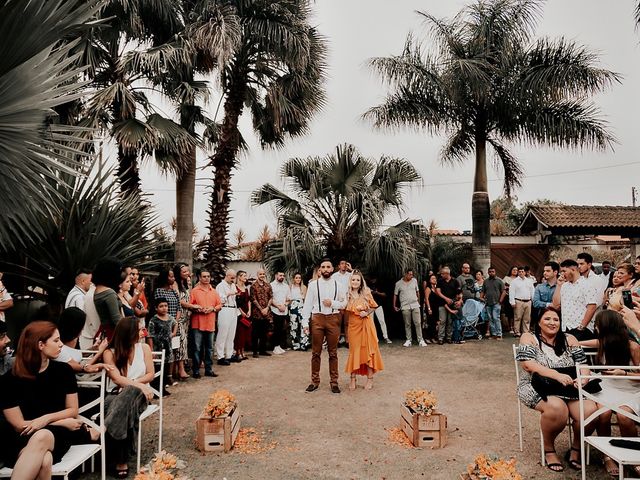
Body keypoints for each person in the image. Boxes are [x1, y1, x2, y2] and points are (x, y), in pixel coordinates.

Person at [0, 321, 98, 479]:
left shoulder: (64, 371)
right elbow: (19, 425)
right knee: (45, 460)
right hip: (22, 438)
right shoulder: (9, 380)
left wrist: (46, 419)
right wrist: (58, 421)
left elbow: (73, 410)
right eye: (56, 340)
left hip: (57, 436)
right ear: (40, 345)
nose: (61, 345)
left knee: (43, 436)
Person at [516, 307, 597, 472]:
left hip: (568, 386)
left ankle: (575, 449)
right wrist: (555, 374)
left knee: (589, 410)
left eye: (556, 319)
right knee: (557, 408)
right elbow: (527, 364)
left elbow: (583, 364)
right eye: (547, 319)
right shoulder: (529, 337)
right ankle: (549, 449)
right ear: (538, 322)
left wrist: (584, 378)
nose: (552, 323)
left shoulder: (570, 339)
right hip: (536, 384)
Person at [587, 310, 640, 477]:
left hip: (631, 388)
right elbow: (587, 343)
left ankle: (634, 457)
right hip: (608, 387)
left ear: (607, 326)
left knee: (624, 416)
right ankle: (607, 456)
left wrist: (623, 373)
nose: (595, 327)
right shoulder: (603, 343)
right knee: (604, 413)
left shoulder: (633, 346)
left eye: (598, 324)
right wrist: (572, 341)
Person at [102, 317, 155, 478]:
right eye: (139, 329)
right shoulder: (109, 353)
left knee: (130, 393)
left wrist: (134, 385)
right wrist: (136, 385)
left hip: (139, 395)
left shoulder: (144, 348)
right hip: (114, 396)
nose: (142, 332)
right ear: (128, 333)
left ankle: (103, 430)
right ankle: (122, 458)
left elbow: (150, 374)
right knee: (125, 407)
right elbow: (116, 379)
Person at [301, 258, 347, 394]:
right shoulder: (313, 285)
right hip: (317, 319)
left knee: (333, 352)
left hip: (333, 319)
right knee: (316, 352)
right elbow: (307, 304)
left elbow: (344, 303)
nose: (326, 269)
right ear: (320, 270)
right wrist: (305, 323)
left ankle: (334, 382)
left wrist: (333, 303)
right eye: (323, 267)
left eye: (328, 267)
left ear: (332, 269)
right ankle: (314, 381)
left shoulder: (339, 285)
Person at [344, 271, 384, 390]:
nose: (355, 282)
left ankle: (370, 379)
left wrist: (366, 312)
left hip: (366, 325)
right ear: (350, 282)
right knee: (354, 351)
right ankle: (352, 379)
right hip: (353, 327)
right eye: (353, 280)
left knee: (368, 352)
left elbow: (374, 306)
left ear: (361, 282)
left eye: (357, 280)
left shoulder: (366, 293)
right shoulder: (347, 294)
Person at [552, 259, 598, 341]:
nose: (562, 274)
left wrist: (582, 326)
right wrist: (558, 286)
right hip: (565, 327)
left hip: (581, 328)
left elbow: (592, 307)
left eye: (564, 271)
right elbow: (555, 305)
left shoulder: (587, 285)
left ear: (573, 269)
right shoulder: (564, 286)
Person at [56, 307, 110, 374]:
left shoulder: (61, 345)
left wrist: (93, 349)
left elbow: (75, 355)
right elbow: (83, 369)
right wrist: (100, 351)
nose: (82, 330)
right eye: (81, 327)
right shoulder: (59, 349)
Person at [189, 269, 222, 376]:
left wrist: (212, 308)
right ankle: (196, 370)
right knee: (197, 348)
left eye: (208, 276)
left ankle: (209, 369)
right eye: (204, 276)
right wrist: (197, 309)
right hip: (197, 323)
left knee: (209, 348)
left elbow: (219, 305)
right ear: (199, 277)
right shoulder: (194, 291)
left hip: (210, 323)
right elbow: (190, 305)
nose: (207, 278)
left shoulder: (214, 291)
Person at [147, 299, 177, 390]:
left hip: (168, 347)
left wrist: (173, 333)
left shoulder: (170, 317)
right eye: (161, 306)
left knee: (166, 366)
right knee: (158, 368)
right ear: (156, 308)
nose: (164, 308)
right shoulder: (154, 320)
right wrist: (152, 350)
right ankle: (157, 388)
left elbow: (175, 323)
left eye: (165, 306)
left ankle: (164, 386)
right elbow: (150, 336)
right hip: (157, 348)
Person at [393, 269, 427, 347]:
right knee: (407, 324)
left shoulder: (414, 281)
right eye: (410, 274)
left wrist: (418, 301)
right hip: (405, 306)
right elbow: (395, 295)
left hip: (415, 305)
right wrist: (394, 305)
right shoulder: (398, 283)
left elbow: (417, 291)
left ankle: (420, 340)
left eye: (412, 274)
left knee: (418, 323)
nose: (411, 276)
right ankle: (408, 340)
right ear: (405, 274)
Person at [93, 257, 123, 341]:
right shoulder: (109, 293)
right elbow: (117, 319)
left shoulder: (97, 289)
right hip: (112, 334)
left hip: (103, 331)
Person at [173, 263, 194, 380]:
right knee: (181, 342)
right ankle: (180, 369)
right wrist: (193, 306)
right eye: (184, 272)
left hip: (186, 317)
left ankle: (179, 368)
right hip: (179, 317)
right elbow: (179, 301)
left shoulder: (185, 283)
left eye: (188, 271)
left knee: (183, 341)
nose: (187, 273)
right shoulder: (175, 284)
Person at [216, 269, 238, 365]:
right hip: (224, 309)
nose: (233, 279)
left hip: (233, 309)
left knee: (231, 334)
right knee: (223, 333)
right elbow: (220, 300)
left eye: (234, 277)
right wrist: (229, 294)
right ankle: (220, 356)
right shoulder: (220, 286)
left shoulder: (233, 285)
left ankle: (229, 354)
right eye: (231, 277)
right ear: (227, 275)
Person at [250, 269, 273, 357]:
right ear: (257, 275)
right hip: (257, 314)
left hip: (266, 313)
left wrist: (267, 308)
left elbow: (271, 297)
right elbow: (253, 299)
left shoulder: (268, 285)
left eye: (263, 274)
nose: (262, 275)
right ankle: (255, 351)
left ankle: (263, 350)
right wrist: (261, 309)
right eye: (260, 274)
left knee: (264, 333)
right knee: (255, 333)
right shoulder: (253, 286)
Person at [435, 266, 459, 344]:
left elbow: (458, 292)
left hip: (451, 304)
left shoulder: (455, 281)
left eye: (442, 274)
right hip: (442, 304)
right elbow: (438, 292)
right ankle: (441, 338)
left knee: (450, 321)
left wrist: (457, 300)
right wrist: (446, 298)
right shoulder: (440, 281)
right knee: (442, 321)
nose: (441, 275)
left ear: (447, 274)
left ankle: (449, 337)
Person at [509, 267, 535, 337]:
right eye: (519, 271)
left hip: (528, 301)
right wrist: (512, 302)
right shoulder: (514, 281)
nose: (521, 273)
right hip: (518, 301)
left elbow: (532, 291)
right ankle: (517, 332)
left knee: (527, 318)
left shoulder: (529, 281)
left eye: (522, 271)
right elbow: (511, 292)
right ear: (518, 272)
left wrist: (533, 300)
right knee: (517, 317)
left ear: (525, 272)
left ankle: (525, 332)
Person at [332, 259, 352, 345]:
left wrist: (351, 269)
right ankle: (337, 341)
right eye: (342, 263)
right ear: (339, 266)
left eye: (345, 264)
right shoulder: (334, 276)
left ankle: (347, 341)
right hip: (338, 301)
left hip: (348, 301)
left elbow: (359, 278)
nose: (344, 265)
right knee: (338, 322)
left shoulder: (350, 275)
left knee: (347, 322)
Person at [532, 262, 559, 327]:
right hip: (543, 318)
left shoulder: (562, 286)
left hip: (558, 318)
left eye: (548, 271)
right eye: (544, 271)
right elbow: (535, 303)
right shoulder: (539, 286)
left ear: (555, 272)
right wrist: (549, 304)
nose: (544, 273)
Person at [234, 270, 252, 360]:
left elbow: (248, 300)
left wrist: (249, 311)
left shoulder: (245, 288)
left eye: (246, 275)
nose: (246, 277)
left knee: (245, 333)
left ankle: (243, 351)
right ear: (239, 277)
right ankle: (238, 352)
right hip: (239, 313)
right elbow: (236, 302)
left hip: (247, 312)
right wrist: (242, 312)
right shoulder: (235, 288)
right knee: (239, 333)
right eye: (244, 276)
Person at [482, 266, 505, 339]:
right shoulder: (485, 281)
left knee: (496, 318)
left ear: (495, 272)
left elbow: (504, 291)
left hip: (496, 303)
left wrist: (500, 300)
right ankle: (494, 334)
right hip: (488, 303)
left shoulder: (499, 281)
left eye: (493, 271)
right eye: (490, 272)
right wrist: (481, 297)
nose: (491, 273)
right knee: (490, 319)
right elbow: (483, 291)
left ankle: (499, 334)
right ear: (488, 272)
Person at [288, 272, 309, 351]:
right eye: (296, 278)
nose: (298, 279)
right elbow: (288, 298)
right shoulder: (290, 287)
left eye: (299, 278)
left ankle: (304, 344)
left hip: (302, 306)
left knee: (303, 325)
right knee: (293, 325)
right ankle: (295, 344)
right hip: (293, 306)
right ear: (294, 279)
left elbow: (306, 299)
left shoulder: (304, 287)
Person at [270, 271, 289, 354]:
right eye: (280, 275)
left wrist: (285, 305)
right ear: (276, 275)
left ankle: (279, 346)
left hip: (284, 310)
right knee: (276, 329)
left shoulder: (286, 286)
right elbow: (270, 299)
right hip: (275, 310)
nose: (282, 277)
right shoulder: (271, 285)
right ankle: (275, 347)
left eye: (283, 275)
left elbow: (289, 298)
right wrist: (278, 306)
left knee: (282, 329)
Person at [368, 276, 392, 344]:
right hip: (370, 306)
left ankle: (386, 337)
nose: (372, 280)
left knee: (382, 321)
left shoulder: (379, 285)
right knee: (371, 323)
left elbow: (385, 294)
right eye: (371, 279)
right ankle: (373, 338)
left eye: (374, 278)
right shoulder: (367, 285)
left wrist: (377, 293)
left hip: (378, 305)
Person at [423, 273, 441, 343]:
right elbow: (426, 299)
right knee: (429, 323)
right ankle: (427, 337)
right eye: (432, 278)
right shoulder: (428, 288)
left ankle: (433, 337)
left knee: (434, 323)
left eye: (435, 278)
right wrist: (429, 308)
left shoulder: (436, 288)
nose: (434, 279)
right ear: (429, 280)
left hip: (436, 307)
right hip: (430, 307)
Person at [502, 266, 518, 335]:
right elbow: (503, 287)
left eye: (516, 270)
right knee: (509, 313)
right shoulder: (506, 278)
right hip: (508, 297)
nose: (515, 271)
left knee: (516, 313)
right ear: (511, 270)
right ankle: (510, 326)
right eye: (513, 270)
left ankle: (515, 327)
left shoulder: (518, 279)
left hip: (516, 297)